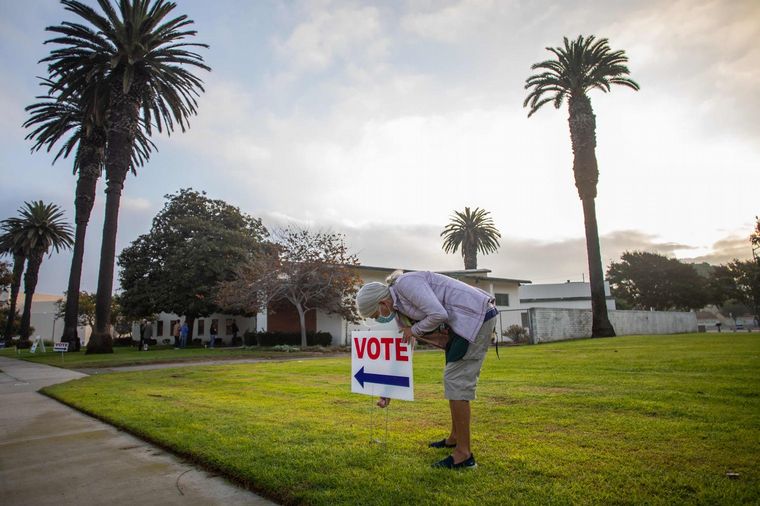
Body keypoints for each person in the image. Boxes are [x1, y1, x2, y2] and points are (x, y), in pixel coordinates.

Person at [355, 270, 498, 470]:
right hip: (460, 325)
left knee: (456, 380)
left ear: (383, 304)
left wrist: (413, 330)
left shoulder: (406, 284)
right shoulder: (399, 312)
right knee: (452, 378)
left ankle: (464, 455)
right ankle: (455, 438)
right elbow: (406, 349)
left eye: (375, 315)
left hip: (476, 317)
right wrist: (388, 391)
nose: (379, 319)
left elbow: (439, 314)